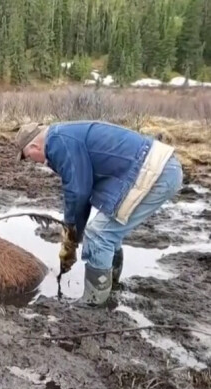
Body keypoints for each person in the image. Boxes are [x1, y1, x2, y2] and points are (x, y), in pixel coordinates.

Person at [14, 121, 182, 306]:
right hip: (159, 169)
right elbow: (82, 191)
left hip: (153, 172)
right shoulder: (64, 135)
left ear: (34, 146)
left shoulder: (57, 141)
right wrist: (74, 235)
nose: (34, 160)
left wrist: (70, 234)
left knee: (98, 234)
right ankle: (111, 288)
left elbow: (77, 192)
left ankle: (94, 304)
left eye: (29, 156)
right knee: (108, 231)